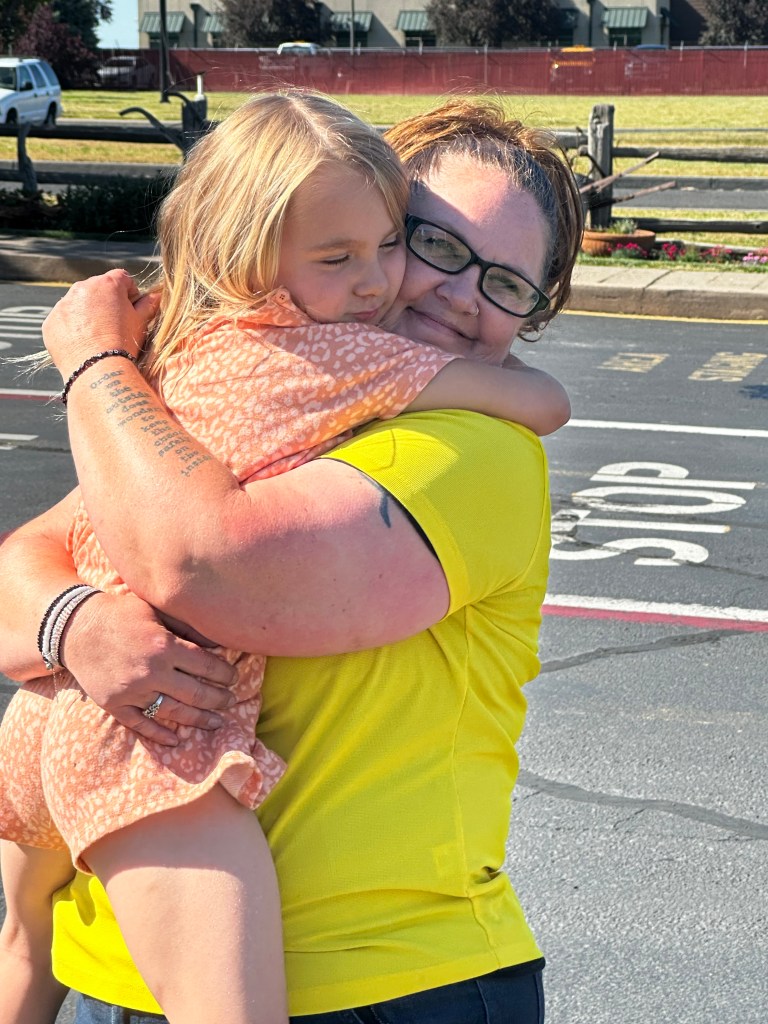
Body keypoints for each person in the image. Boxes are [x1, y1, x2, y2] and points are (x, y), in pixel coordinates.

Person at [0, 96, 583, 1023]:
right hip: (129, 957)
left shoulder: (476, 450)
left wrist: (98, 366)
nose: (461, 294)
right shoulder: (273, 386)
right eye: (432, 244)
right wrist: (77, 626)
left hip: (376, 985)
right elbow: (25, 561)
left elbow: (203, 561)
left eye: (509, 285)